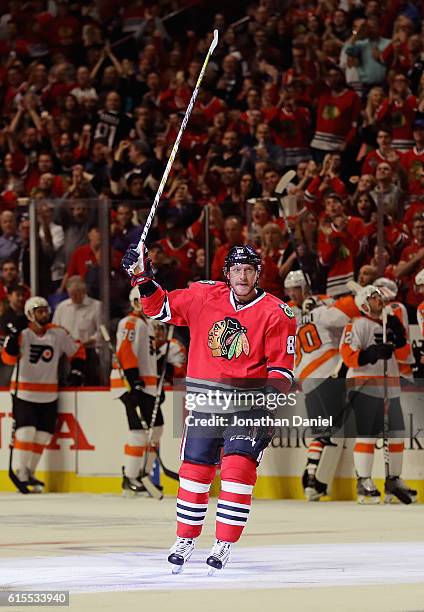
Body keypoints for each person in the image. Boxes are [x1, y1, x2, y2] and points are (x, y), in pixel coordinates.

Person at [122, 243, 296, 573]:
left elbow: (282, 369)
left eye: (249, 270)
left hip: (248, 407)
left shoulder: (277, 313)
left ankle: (223, 542)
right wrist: (143, 277)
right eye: (236, 270)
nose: (242, 276)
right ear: (226, 273)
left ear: (257, 274)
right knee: (194, 473)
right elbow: (161, 308)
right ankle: (186, 538)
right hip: (206, 405)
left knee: (236, 472)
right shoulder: (204, 296)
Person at [340, 285, 416, 504]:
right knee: (368, 434)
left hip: (389, 386)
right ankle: (363, 481)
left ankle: (393, 480)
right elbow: (348, 355)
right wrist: (370, 354)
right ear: (364, 302)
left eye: (380, 296)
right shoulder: (356, 324)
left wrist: (399, 338)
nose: (379, 300)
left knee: (396, 434)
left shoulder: (389, 323)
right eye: (374, 297)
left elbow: (404, 357)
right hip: (364, 385)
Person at [1, 296, 85, 493]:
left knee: (43, 435)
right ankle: (21, 472)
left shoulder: (57, 332)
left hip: (49, 393)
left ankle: (29, 471)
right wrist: (12, 339)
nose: (45, 314)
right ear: (30, 314)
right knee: (26, 431)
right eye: (40, 311)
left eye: (46, 310)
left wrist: (77, 369)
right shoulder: (23, 334)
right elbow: (8, 358)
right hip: (24, 392)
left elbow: (77, 350)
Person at [53, 276, 101, 385]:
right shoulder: (62, 307)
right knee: (66, 383)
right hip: (66, 354)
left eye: (77, 294)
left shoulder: (96, 306)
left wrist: (90, 340)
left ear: (84, 291)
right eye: (71, 294)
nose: (74, 297)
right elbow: (55, 329)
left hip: (88, 352)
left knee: (89, 383)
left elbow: (102, 331)